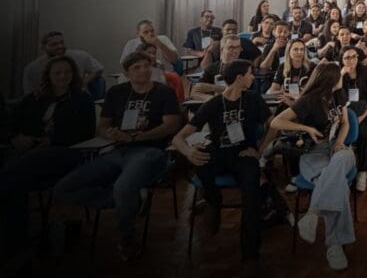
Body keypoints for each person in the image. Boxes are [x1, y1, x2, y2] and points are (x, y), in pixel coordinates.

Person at [54, 52, 182, 261]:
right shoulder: (116, 92)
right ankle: (130, 200)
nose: (144, 70)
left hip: (150, 152)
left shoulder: (163, 92)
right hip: (117, 150)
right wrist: (111, 134)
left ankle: (127, 238)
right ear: (126, 73)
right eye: (137, 68)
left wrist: (136, 137)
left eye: (146, 66)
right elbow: (102, 127)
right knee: (64, 188)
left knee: (123, 187)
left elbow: (171, 125)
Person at [171, 59, 275, 271]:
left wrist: (260, 149)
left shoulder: (253, 99)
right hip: (219, 152)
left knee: (251, 196)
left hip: (244, 154)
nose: (253, 77)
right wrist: (189, 152)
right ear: (239, 78)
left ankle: (250, 255)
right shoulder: (214, 104)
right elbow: (178, 138)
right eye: (250, 73)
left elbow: (273, 125)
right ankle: (213, 199)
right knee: (201, 159)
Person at [1, 56, 96, 271]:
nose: (63, 77)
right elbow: (11, 123)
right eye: (57, 73)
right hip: (28, 154)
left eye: (67, 72)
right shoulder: (35, 98)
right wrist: (15, 138)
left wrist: (52, 140)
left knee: (15, 171)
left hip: (65, 152)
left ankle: (15, 247)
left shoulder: (82, 99)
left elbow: (85, 133)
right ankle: (16, 246)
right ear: (48, 76)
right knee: (14, 183)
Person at [270, 63, 357, 270]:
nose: (341, 77)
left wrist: (339, 142)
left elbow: (345, 123)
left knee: (342, 159)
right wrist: (306, 128)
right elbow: (276, 122)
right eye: (338, 75)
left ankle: (313, 213)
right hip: (315, 153)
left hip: (338, 149)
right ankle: (335, 246)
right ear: (330, 79)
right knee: (338, 186)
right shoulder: (309, 100)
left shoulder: (339, 95)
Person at [338, 46, 367, 192]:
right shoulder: (340, 75)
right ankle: (345, 166)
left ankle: (362, 171)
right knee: (339, 132)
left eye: (354, 57)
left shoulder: (365, 72)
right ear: (342, 60)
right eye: (347, 57)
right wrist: (340, 75)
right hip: (348, 112)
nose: (351, 60)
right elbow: (336, 97)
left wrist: (359, 119)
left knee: (363, 133)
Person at [22, 30, 104, 96]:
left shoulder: (79, 55)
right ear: (43, 48)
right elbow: (29, 93)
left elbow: (99, 69)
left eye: (61, 42)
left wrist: (83, 82)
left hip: (76, 97)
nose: (60, 46)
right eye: (54, 44)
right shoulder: (32, 68)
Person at [268, 39, 314, 105]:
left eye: (302, 49)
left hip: (305, 103)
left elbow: (314, 92)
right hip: (287, 101)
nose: (299, 52)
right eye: (295, 49)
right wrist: (288, 96)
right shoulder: (283, 67)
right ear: (288, 51)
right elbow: (273, 90)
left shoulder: (311, 67)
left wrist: (290, 96)